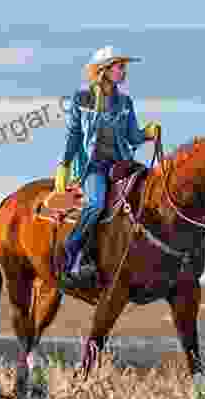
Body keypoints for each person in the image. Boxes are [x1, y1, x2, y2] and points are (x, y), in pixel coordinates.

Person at [55, 46, 161, 288]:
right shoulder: (82, 99)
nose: (124, 71)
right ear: (104, 70)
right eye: (120, 66)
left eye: (124, 67)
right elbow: (73, 134)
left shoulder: (125, 102)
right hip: (93, 166)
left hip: (121, 164)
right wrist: (64, 164)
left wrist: (147, 133)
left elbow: (132, 136)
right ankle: (72, 253)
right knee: (95, 203)